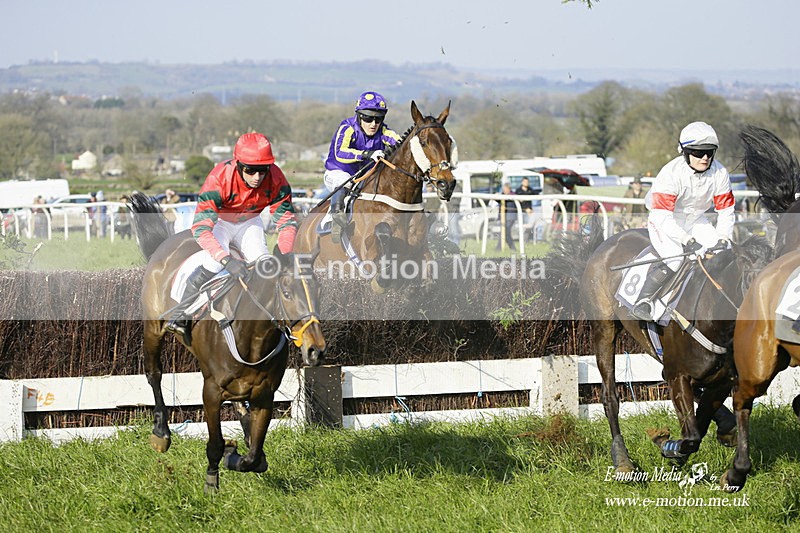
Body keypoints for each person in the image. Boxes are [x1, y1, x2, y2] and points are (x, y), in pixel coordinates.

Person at [165, 132, 298, 341]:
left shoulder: (277, 178)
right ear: (238, 165)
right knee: (214, 263)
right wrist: (226, 260)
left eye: (263, 170)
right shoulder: (219, 178)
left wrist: (285, 252)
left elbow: (286, 221)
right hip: (220, 222)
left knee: (265, 265)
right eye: (251, 170)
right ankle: (181, 314)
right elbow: (200, 228)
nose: (257, 177)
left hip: (250, 222)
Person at [631, 121, 735, 321]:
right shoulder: (670, 173)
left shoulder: (720, 173)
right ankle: (643, 300)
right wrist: (687, 240)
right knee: (675, 256)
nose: (705, 157)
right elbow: (663, 216)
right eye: (698, 152)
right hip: (664, 219)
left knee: (725, 252)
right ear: (685, 152)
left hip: (696, 220)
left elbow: (726, 211)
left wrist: (723, 237)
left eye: (709, 152)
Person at [323, 91, 401, 243]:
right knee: (344, 180)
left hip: (363, 179)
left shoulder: (383, 131)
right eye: (368, 118)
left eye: (378, 119)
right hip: (337, 173)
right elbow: (339, 152)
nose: (373, 124)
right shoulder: (347, 128)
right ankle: (337, 217)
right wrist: (366, 154)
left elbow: (401, 143)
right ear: (359, 116)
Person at [495, 183, 517, 251]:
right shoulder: (502, 195)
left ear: (508, 189)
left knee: (504, 232)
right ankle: (513, 248)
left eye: (505, 189)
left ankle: (498, 248)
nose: (504, 190)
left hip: (510, 217)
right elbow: (497, 200)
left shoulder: (513, 195)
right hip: (503, 217)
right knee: (506, 233)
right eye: (503, 189)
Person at [514, 177, 536, 242]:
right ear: (522, 182)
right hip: (521, 212)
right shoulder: (518, 190)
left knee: (528, 226)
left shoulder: (531, 190)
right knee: (520, 226)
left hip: (529, 212)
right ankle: (520, 239)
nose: (526, 183)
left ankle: (526, 240)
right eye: (525, 182)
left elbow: (535, 197)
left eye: (527, 182)